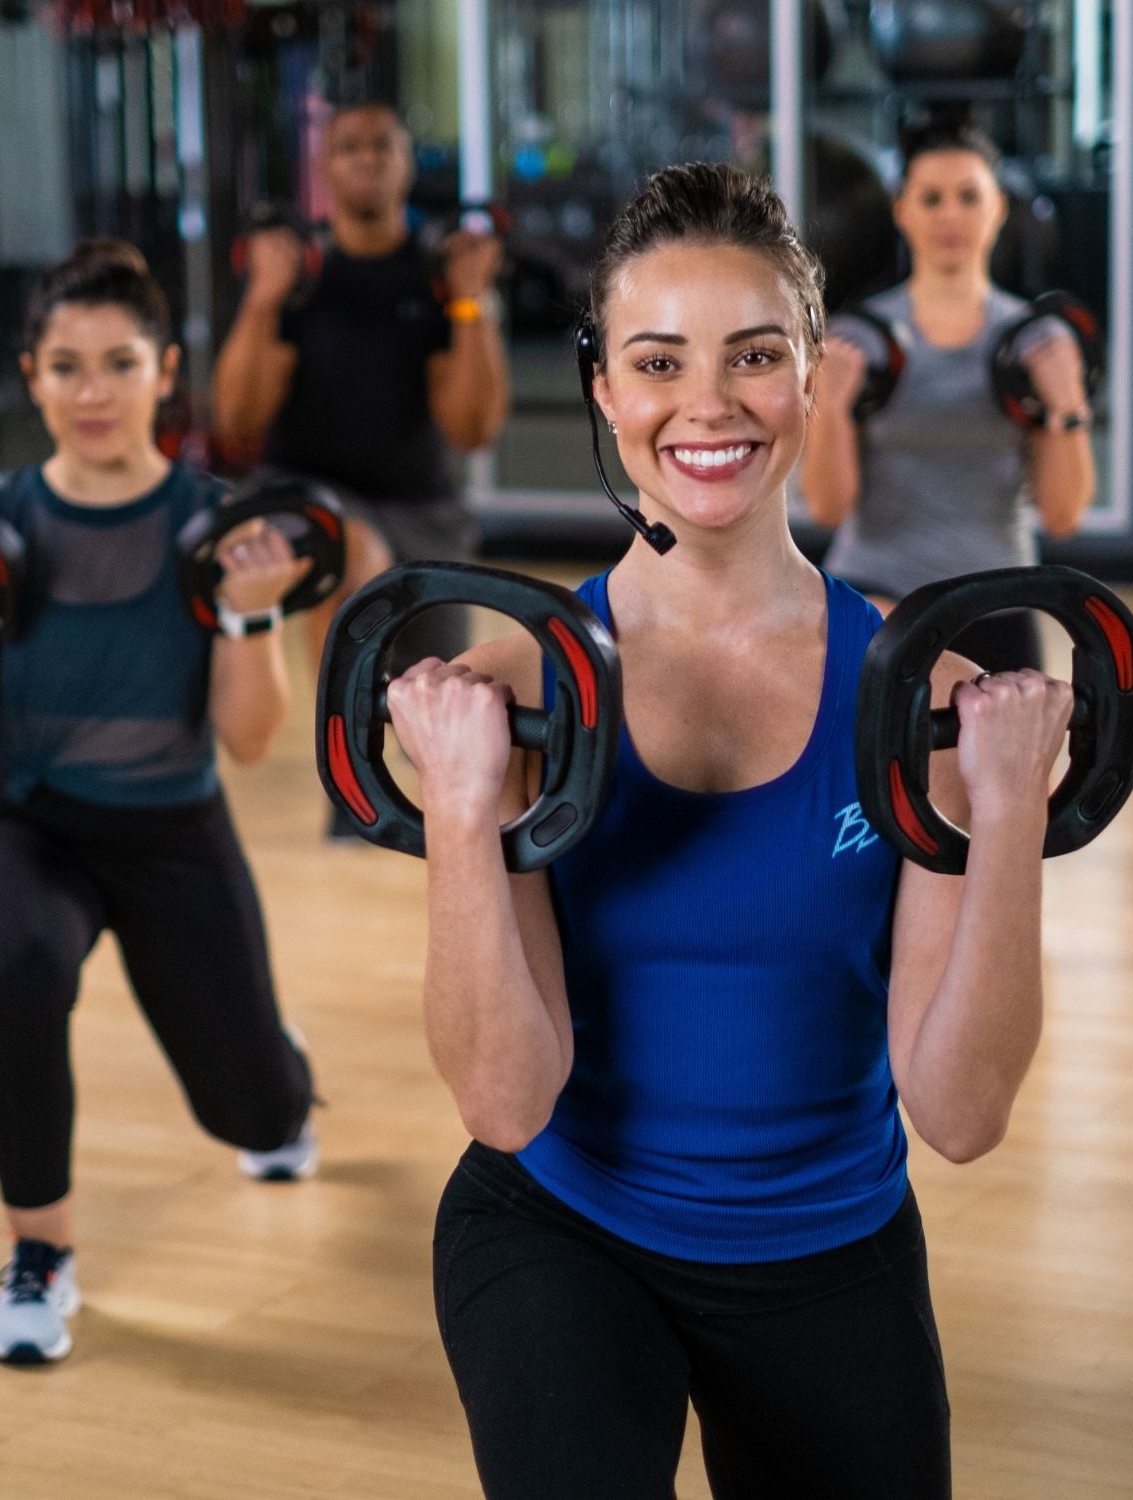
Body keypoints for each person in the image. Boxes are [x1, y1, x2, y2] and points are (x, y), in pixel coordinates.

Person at [383, 164, 1074, 1499]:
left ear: (816, 375)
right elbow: (503, 1100)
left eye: (755, 356)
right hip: (561, 1232)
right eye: (659, 361)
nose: (708, 406)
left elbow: (962, 1112)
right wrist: (465, 815)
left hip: (828, 1253)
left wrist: (1006, 828)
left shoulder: (915, 697)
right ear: (604, 390)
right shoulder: (524, 692)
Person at [0, 240, 319, 1367]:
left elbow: (247, 739)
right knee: (20, 973)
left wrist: (251, 614)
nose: (93, 392)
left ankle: (273, 1069)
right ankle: (40, 1259)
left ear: (164, 373)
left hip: (173, 831)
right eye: (67, 366)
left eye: (119, 363)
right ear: (32, 377)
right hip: (27, 821)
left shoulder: (217, 524)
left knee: (260, 1117)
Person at [211, 99, 509, 681]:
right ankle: (340, 750)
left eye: (383, 145)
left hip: (420, 507)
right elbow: (236, 421)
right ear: (324, 166)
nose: (367, 159)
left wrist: (473, 301)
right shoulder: (301, 277)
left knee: (435, 689)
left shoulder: (436, 276)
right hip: (305, 498)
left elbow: (472, 431)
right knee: (354, 554)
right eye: (350, 147)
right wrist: (262, 298)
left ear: (406, 163)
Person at [801, 121, 1096, 671]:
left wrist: (1066, 407)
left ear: (999, 208)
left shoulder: (1037, 344)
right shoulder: (856, 339)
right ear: (902, 210)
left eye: (968, 196)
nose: (950, 216)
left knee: (1012, 755)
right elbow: (826, 507)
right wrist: (833, 411)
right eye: (931, 199)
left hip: (999, 599)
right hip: (878, 597)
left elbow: (1062, 517)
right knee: (867, 756)